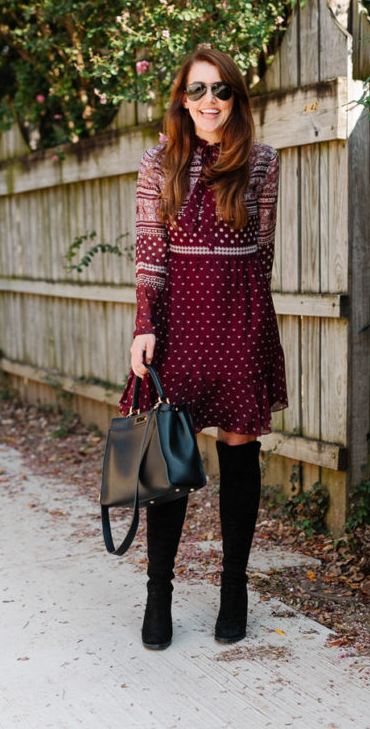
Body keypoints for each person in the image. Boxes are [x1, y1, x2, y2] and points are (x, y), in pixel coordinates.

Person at [119, 47, 288, 650]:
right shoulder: (159, 162)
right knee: (169, 461)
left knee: (240, 455)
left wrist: (255, 329)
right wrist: (145, 325)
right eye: (197, 91)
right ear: (182, 101)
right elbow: (149, 252)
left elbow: (262, 256)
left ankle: (233, 590)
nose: (209, 101)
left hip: (239, 319)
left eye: (221, 90)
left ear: (236, 99)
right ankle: (158, 594)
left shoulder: (263, 163)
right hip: (179, 323)